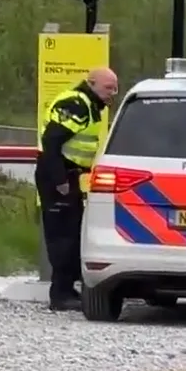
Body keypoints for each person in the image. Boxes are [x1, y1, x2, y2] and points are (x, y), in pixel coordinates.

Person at [36, 66, 119, 311]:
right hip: (57, 176)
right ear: (91, 83)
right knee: (62, 236)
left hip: (69, 175)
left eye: (115, 88)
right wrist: (60, 180)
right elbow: (51, 142)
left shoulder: (89, 105)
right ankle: (60, 295)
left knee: (72, 233)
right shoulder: (76, 104)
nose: (112, 92)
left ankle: (66, 288)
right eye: (108, 87)